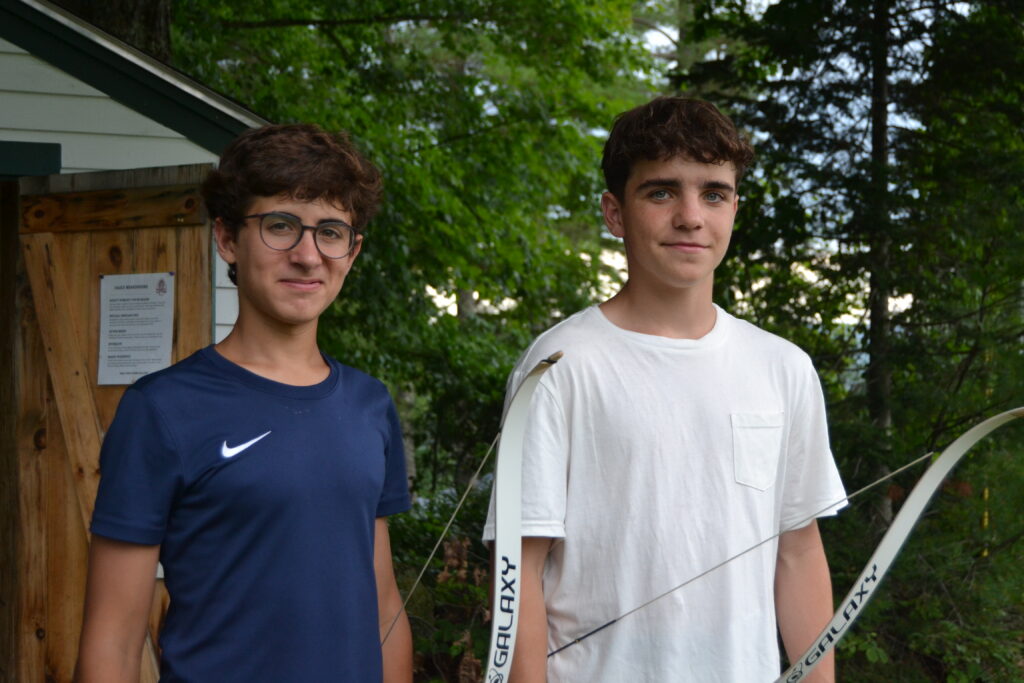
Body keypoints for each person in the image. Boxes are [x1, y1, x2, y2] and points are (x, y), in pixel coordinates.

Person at [483, 97, 846, 682]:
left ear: (733, 209)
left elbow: (799, 554)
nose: (690, 216)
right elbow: (518, 573)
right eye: (661, 192)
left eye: (713, 193)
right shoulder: (560, 366)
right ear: (615, 213)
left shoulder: (784, 368)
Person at [76, 124, 413, 682]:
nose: (308, 255)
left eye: (331, 232)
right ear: (228, 239)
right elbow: (112, 641)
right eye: (281, 226)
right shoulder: (161, 410)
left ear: (352, 252)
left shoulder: (369, 406)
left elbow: (384, 606)